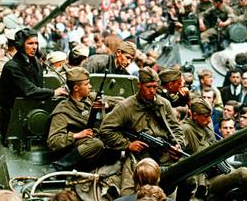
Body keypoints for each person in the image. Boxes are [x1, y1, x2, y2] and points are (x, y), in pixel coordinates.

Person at [99, 67, 185, 196]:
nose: (152, 91)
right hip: (139, 156)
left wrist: (178, 144)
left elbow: (176, 129)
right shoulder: (125, 106)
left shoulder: (164, 104)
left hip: (164, 154)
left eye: (155, 87)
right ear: (139, 85)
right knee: (128, 194)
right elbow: (105, 130)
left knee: (185, 181)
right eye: (148, 86)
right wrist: (128, 145)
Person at [0, 28, 68, 139]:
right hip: (14, 120)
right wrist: (54, 92)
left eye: (36, 43)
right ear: (21, 45)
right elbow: (30, 90)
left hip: (32, 113)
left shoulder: (35, 62)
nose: (34, 47)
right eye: (30, 43)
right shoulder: (12, 67)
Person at [47, 67, 108, 171]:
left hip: (91, 139)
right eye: (86, 84)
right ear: (76, 88)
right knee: (96, 144)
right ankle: (59, 166)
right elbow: (53, 142)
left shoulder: (90, 98)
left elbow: (118, 101)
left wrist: (105, 104)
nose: (90, 86)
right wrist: (76, 135)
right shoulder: (63, 111)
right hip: (74, 148)